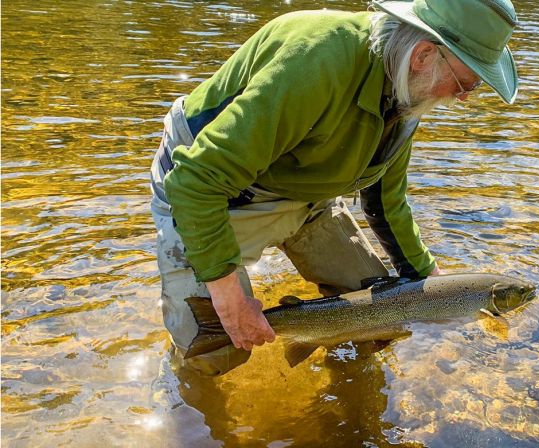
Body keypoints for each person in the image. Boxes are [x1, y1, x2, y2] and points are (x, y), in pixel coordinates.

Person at [149, 0, 519, 376]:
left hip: (310, 196)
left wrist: (427, 280)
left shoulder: (410, 89)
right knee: (216, 347)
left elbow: (386, 200)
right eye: (465, 82)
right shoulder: (315, 61)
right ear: (423, 55)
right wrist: (227, 294)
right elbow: (195, 180)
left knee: (378, 319)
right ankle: (187, 414)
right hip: (218, 194)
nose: (464, 96)